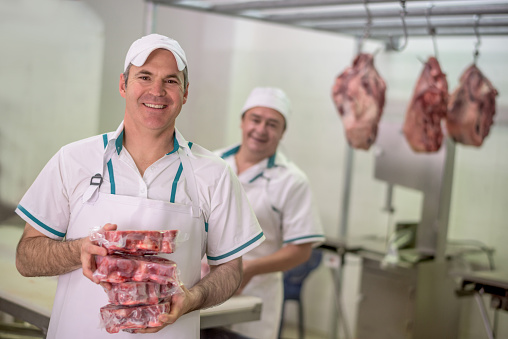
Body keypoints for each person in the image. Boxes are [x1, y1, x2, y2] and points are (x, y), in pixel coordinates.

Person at [14, 33, 264, 339]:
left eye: (171, 81)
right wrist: (79, 250)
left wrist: (193, 299)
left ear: (185, 93)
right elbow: (26, 258)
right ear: (123, 84)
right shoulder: (74, 159)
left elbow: (230, 270)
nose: (157, 91)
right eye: (144, 76)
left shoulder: (215, 174)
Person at [215, 87, 325, 339]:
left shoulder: (292, 180)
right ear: (242, 122)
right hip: (203, 284)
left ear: (282, 133)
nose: (261, 129)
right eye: (255, 119)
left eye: (272, 124)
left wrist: (250, 269)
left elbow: (301, 249)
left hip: (255, 293)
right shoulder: (212, 162)